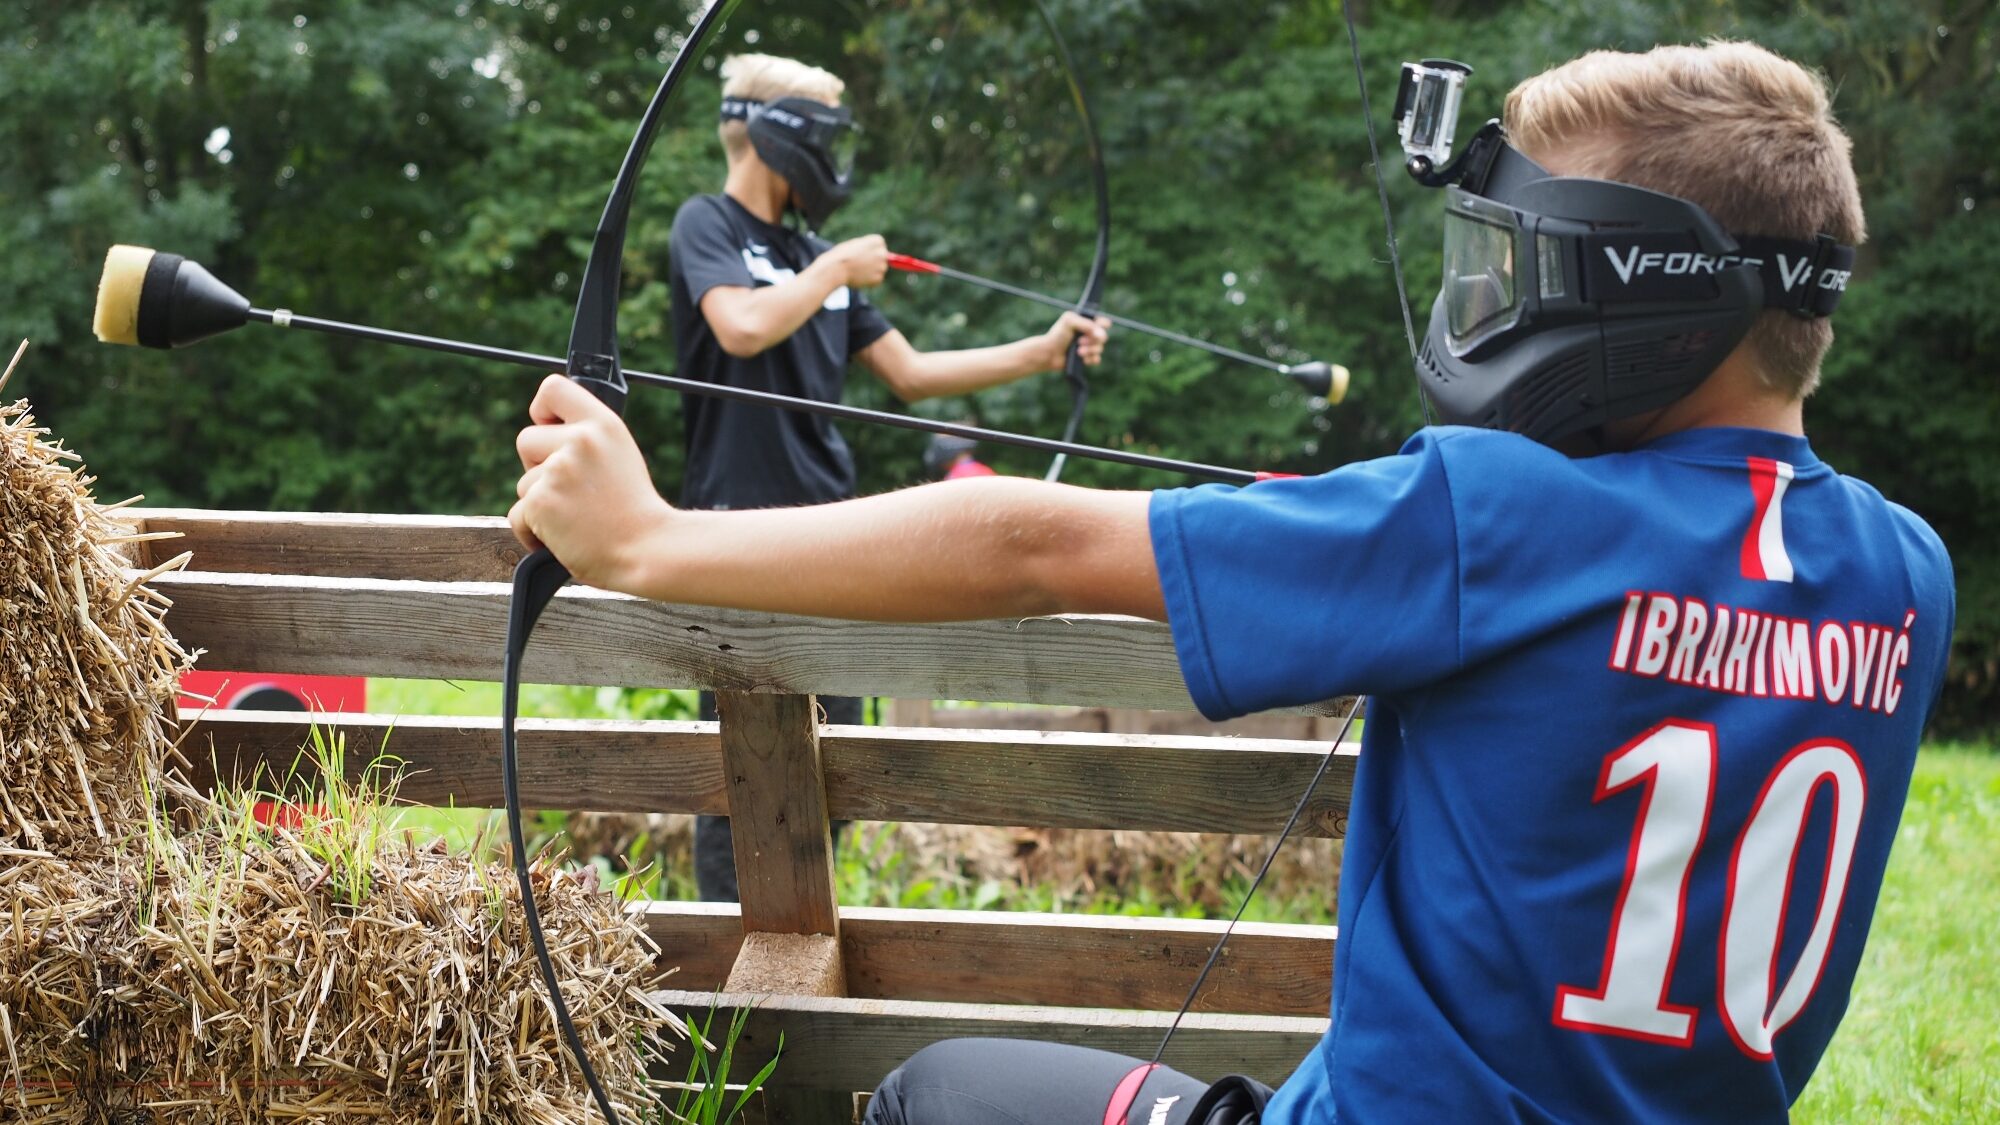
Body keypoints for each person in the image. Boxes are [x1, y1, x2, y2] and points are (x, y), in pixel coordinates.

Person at [512, 41, 1955, 1124]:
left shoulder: (1489, 518)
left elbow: (1032, 544)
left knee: (933, 1091)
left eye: (1530, 267)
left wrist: (643, 539)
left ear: (1638, 299)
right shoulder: (1907, 578)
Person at [668, 53, 1110, 901]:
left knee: (834, 762)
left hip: (833, 536)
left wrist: (1042, 352)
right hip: (736, 539)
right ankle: (734, 979)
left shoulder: (812, 253)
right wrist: (831, 270)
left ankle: (804, 954)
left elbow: (909, 373)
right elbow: (741, 327)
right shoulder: (708, 226)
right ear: (779, 136)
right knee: (742, 774)